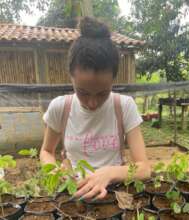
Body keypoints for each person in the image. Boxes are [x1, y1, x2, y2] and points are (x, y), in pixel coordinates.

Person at [40, 17, 151, 201]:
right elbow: (46, 151)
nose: (92, 103)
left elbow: (144, 168)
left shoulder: (124, 106)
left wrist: (109, 173)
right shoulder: (60, 107)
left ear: (113, 79)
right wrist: (54, 172)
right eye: (83, 92)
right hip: (73, 193)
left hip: (114, 194)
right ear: (71, 77)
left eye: (102, 93)